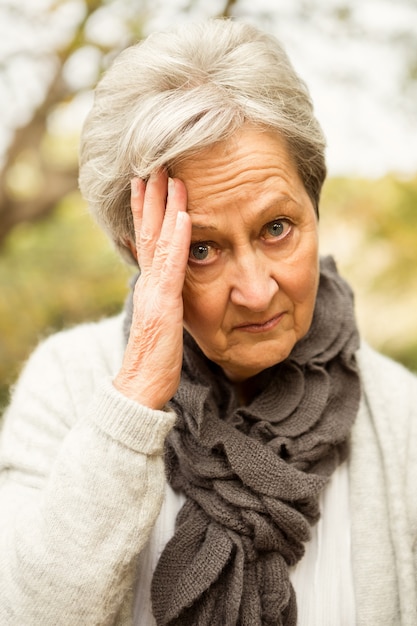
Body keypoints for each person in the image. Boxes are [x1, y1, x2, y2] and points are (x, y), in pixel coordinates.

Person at [0, 18, 416, 626]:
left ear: (314, 206)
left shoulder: (403, 419)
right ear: (140, 250)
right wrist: (137, 393)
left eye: (277, 229)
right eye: (201, 249)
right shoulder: (66, 386)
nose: (254, 290)